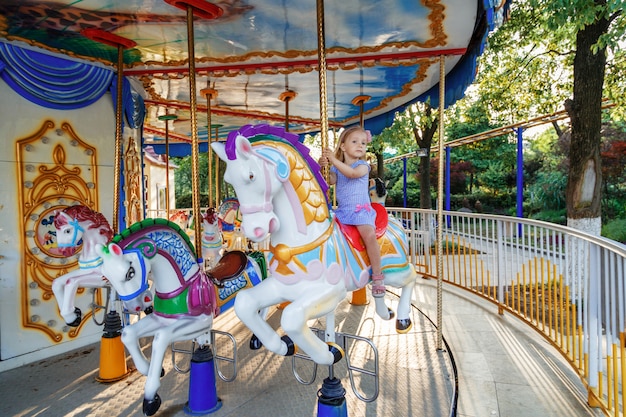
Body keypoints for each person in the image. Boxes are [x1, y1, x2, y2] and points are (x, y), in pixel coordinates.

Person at [319, 126, 385, 297]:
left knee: (369, 236)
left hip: (360, 211)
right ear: (343, 146)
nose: (360, 145)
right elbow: (329, 181)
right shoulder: (336, 168)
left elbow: (353, 174)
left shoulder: (363, 166)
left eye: (363, 143)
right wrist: (323, 167)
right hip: (342, 212)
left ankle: (378, 275)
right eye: (354, 142)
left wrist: (333, 160)